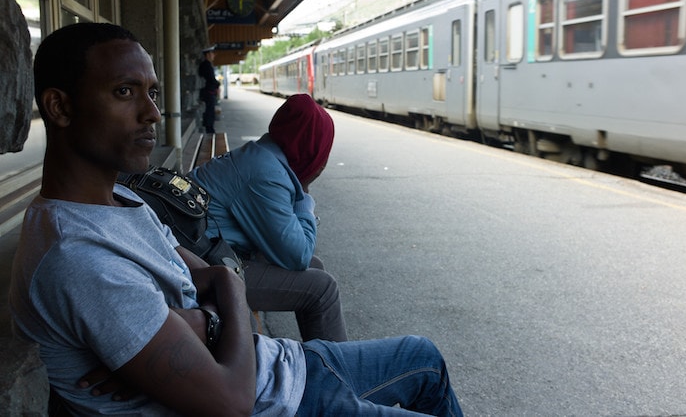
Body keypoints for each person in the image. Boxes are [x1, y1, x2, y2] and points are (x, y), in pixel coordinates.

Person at [9, 22, 463, 416]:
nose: (151, 113)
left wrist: (204, 313)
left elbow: (205, 275)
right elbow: (230, 401)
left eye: (152, 92)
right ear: (60, 107)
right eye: (124, 91)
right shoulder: (78, 257)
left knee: (425, 356)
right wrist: (225, 292)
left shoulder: (123, 198)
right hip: (281, 403)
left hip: (280, 366)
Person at [188, 93, 347, 342]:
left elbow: (296, 252)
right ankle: (336, 376)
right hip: (203, 271)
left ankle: (319, 360)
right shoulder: (266, 174)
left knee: (316, 268)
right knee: (322, 290)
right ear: (312, 149)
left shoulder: (261, 156)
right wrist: (303, 193)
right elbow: (297, 256)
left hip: (208, 254)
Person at [198, 45, 219, 133]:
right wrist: (218, 84)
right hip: (209, 92)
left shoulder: (205, 65)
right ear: (207, 55)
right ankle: (209, 128)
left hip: (207, 91)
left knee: (209, 110)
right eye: (212, 53)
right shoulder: (207, 65)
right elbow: (211, 79)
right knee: (210, 111)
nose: (213, 55)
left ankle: (209, 126)